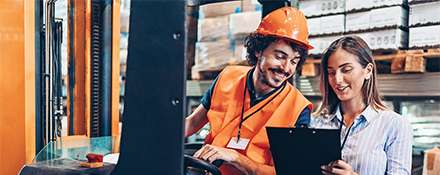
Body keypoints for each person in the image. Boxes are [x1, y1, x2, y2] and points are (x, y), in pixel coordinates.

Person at [185, 7, 314, 175]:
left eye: (294, 61)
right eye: (280, 56)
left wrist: (236, 157)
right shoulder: (227, 77)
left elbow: (286, 172)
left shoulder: (298, 109)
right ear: (258, 50)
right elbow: (193, 123)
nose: (286, 68)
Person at [310, 36, 413, 175]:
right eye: (331, 72)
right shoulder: (317, 122)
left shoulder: (394, 125)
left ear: (368, 70)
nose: (337, 80)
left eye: (346, 70)